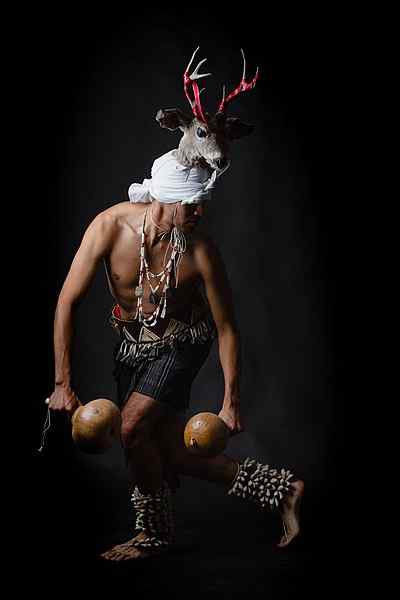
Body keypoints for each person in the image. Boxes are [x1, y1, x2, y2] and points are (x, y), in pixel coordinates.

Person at [48, 152, 304, 561]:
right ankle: (280, 490)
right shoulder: (110, 226)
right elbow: (66, 302)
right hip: (132, 346)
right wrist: (62, 383)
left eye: (203, 202)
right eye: (191, 203)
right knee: (164, 449)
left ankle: (151, 535)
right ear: (165, 198)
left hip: (184, 342)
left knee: (131, 428)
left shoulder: (201, 251)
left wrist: (230, 403)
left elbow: (226, 329)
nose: (200, 211)